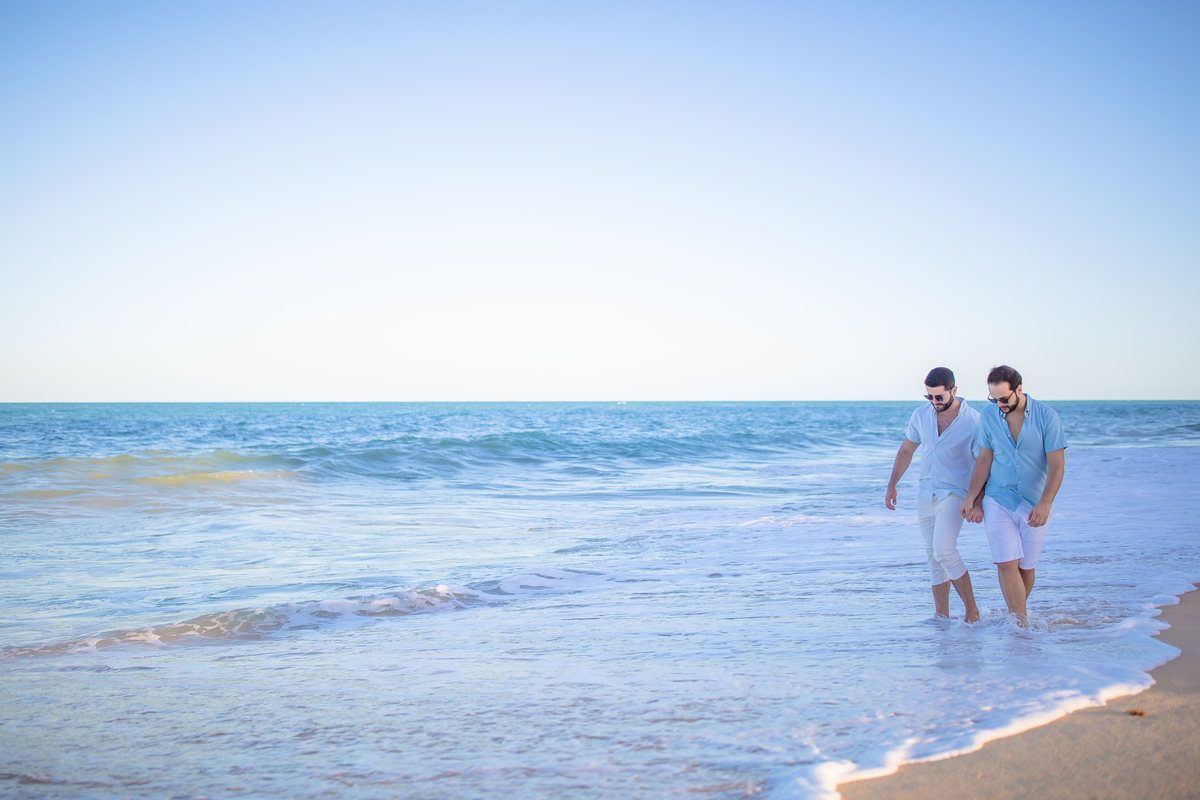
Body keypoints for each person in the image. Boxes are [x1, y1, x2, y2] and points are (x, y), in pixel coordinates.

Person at [960, 365, 1066, 625]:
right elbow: (984, 459)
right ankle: (1020, 625)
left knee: (1025, 567)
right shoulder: (989, 416)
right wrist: (971, 498)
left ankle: (1017, 615)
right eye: (993, 399)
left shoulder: (1047, 416)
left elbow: (1057, 465)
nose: (999, 405)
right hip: (998, 498)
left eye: (1004, 399)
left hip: (1034, 502)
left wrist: (1045, 503)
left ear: (1019, 389)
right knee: (1006, 563)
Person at [886, 367, 982, 622]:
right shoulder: (920, 415)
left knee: (944, 550)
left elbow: (983, 464)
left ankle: (972, 612)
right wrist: (892, 484)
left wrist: (976, 501)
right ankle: (942, 617)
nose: (934, 402)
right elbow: (906, 451)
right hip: (925, 493)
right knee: (933, 557)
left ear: (954, 390)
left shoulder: (974, 420)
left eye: (939, 397)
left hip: (955, 493)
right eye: (929, 397)